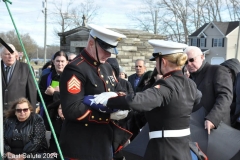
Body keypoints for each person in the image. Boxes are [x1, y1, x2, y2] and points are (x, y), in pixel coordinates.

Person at [93, 40, 202, 160]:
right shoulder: (190, 84)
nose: (156, 65)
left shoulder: (166, 85)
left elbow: (136, 101)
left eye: (156, 61)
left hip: (164, 150)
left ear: (163, 62)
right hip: (184, 150)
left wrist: (109, 100)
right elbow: (197, 97)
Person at [59, 24, 132, 160]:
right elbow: (72, 109)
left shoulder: (107, 67)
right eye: (105, 49)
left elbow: (119, 88)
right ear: (91, 43)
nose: (109, 54)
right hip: (81, 145)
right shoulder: (75, 69)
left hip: (104, 142)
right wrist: (108, 114)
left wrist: (119, 99)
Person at [184, 46, 233, 131]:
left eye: (192, 60)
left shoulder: (217, 70)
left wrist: (213, 118)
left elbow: (225, 96)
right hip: (196, 127)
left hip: (217, 127)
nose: (189, 64)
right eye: (185, 62)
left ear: (202, 57)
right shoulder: (188, 78)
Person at [37, 51, 68, 154]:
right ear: (53, 62)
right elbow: (39, 95)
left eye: (62, 61)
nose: (60, 64)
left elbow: (70, 97)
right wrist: (48, 93)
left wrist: (54, 93)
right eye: (58, 61)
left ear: (67, 62)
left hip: (65, 116)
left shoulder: (72, 78)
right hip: (49, 116)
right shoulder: (46, 77)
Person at [1, 43, 37, 113]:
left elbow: (31, 92)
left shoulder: (26, 68)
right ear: (1, 55)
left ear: (16, 55)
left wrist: (32, 113)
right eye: (7, 54)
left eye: (12, 53)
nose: (10, 56)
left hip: (18, 112)